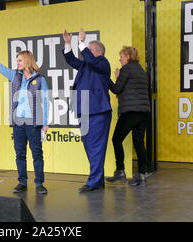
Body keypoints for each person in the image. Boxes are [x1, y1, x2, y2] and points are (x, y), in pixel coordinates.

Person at [0, 36, 49, 194]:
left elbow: (46, 102)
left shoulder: (40, 79)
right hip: (18, 122)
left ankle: (39, 183)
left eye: (19, 60)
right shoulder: (15, 76)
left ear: (27, 61)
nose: (17, 63)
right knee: (20, 154)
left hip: (34, 123)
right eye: (17, 60)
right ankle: (22, 182)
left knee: (37, 154)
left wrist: (45, 123)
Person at [63, 29, 112, 193]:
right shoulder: (86, 65)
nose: (85, 53)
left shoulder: (103, 63)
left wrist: (82, 42)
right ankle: (97, 179)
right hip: (84, 110)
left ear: (98, 52)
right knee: (89, 145)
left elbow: (90, 59)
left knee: (95, 146)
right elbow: (71, 60)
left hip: (98, 112)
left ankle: (93, 181)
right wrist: (68, 43)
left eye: (89, 50)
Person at [105, 46, 151, 187]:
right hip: (143, 112)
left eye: (122, 56)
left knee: (116, 139)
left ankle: (120, 171)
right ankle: (141, 175)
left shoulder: (126, 69)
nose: (120, 59)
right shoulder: (141, 70)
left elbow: (116, 89)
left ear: (128, 57)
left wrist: (110, 78)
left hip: (130, 111)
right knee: (139, 142)